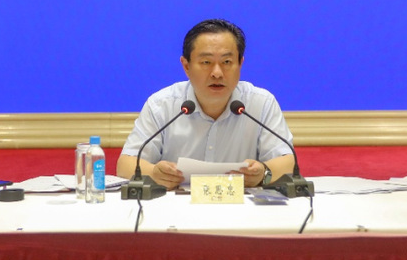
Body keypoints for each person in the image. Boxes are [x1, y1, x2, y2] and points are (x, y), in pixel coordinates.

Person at [117, 18, 295, 189]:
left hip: (241, 205)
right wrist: (154, 174)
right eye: (206, 62)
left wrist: (264, 173)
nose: (217, 73)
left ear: (240, 63)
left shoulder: (261, 103)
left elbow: (288, 162)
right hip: (177, 206)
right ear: (186, 66)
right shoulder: (161, 105)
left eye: (226, 62)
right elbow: (125, 165)